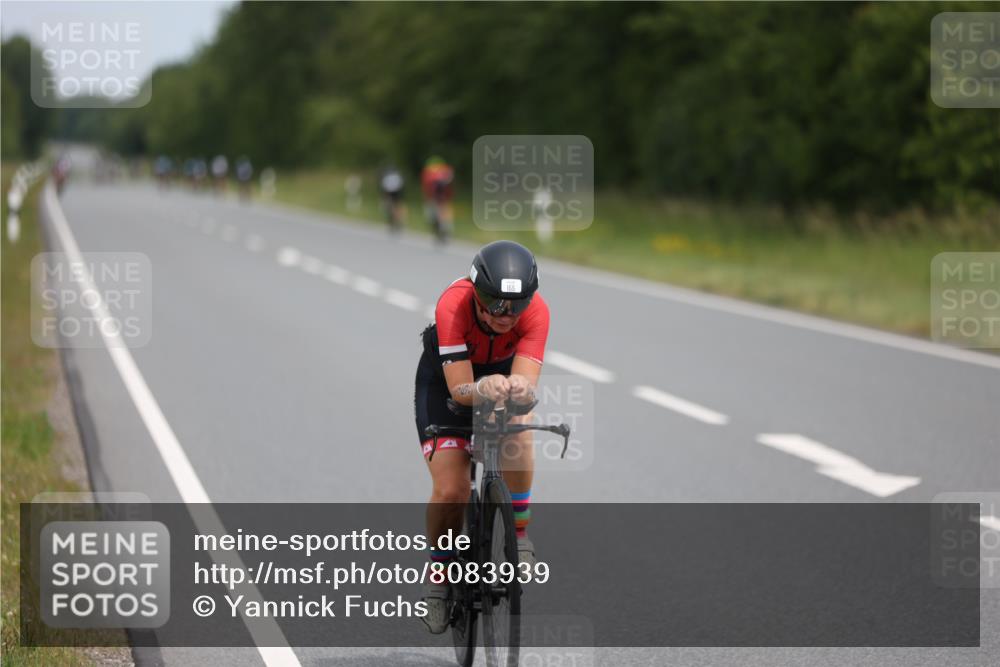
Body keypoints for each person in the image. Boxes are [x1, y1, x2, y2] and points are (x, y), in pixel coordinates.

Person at [414, 240, 549, 633]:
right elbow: (460, 391)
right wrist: (481, 388)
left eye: (517, 304)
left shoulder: (537, 311)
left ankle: (519, 535)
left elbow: (525, 378)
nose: (506, 315)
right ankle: (439, 580)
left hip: (500, 376)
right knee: (452, 489)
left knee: (518, 434)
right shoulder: (452, 305)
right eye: (494, 302)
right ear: (476, 292)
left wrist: (520, 390)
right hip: (446, 386)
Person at [420, 156, 454, 242]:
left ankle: (440, 227)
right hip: (443, 195)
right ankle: (446, 226)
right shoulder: (446, 171)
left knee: (432, 213)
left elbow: (426, 187)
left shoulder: (427, 172)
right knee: (444, 209)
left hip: (433, 196)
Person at [378, 165, 406, 233]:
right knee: (398, 205)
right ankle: (400, 219)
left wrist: (384, 197)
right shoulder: (397, 175)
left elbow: (384, 188)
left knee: (390, 206)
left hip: (390, 192)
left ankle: (393, 221)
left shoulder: (386, 176)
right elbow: (402, 185)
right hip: (398, 192)